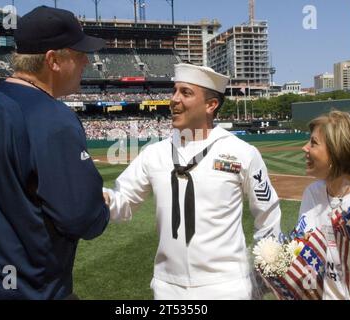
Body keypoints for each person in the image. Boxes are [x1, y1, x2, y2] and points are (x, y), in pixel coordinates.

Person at [0, 6, 110, 299]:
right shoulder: (52, 118)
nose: (87, 61)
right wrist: (101, 202)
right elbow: (85, 219)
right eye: (79, 53)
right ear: (53, 60)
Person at [103, 63, 282, 299]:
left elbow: (268, 215)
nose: (174, 99)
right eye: (174, 91)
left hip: (227, 287)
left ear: (211, 105)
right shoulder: (153, 153)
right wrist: (98, 195)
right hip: (168, 288)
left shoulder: (242, 153)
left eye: (185, 93)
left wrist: (263, 273)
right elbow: (122, 204)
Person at [295, 110, 350, 300]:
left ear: (337, 153)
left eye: (313, 143)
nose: (304, 148)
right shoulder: (312, 193)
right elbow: (304, 251)